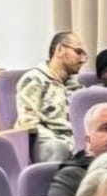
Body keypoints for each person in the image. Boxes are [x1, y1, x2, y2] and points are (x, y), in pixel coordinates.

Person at [15, 32, 87, 163]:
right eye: (78, 52)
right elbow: (29, 124)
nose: (83, 60)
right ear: (60, 49)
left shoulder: (78, 88)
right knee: (59, 148)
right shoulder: (34, 79)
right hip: (47, 143)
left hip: (75, 142)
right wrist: (69, 144)